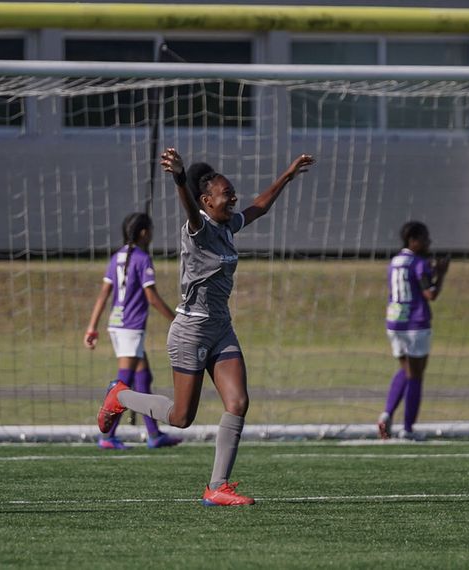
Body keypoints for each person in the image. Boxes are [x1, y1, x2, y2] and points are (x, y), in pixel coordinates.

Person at [97, 147, 315, 506]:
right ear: (206, 200)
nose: (233, 198)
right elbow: (185, 203)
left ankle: (217, 487)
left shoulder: (229, 225)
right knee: (182, 417)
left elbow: (260, 206)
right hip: (191, 331)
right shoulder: (197, 228)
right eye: (226, 194)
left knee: (239, 401)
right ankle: (119, 396)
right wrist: (179, 177)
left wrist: (287, 175)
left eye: (233, 194)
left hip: (220, 329)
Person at [84, 212, 180, 450]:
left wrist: (92, 326)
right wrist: (176, 319)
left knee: (143, 377)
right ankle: (108, 434)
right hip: (130, 327)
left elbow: (103, 294)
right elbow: (152, 297)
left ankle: (154, 433)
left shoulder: (117, 256)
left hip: (116, 324)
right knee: (123, 383)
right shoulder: (142, 258)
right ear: (144, 232)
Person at [378, 221, 449, 441]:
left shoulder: (395, 261)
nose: (429, 242)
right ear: (414, 240)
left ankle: (386, 414)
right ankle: (408, 428)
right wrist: (441, 274)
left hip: (394, 322)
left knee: (406, 370)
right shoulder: (419, 263)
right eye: (425, 238)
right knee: (416, 375)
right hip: (415, 323)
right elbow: (431, 294)